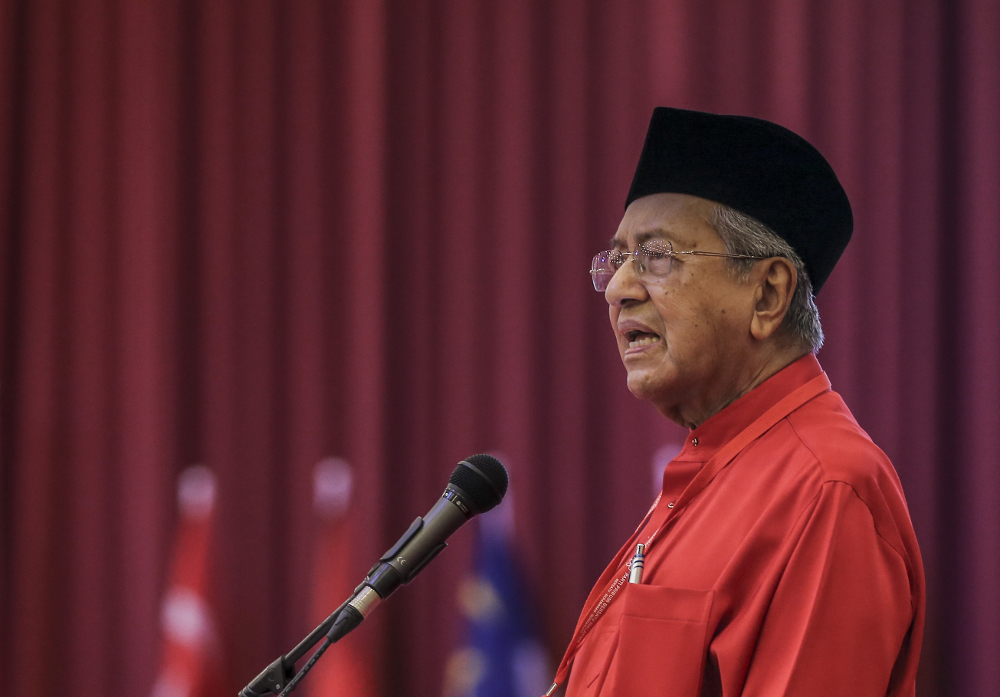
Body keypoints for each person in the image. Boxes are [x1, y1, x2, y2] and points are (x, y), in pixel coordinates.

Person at [547, 108, 925, 697]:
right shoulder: (709, 469)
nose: (619, 289)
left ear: (768, 293)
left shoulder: (827, 489)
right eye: (616, 260)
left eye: (656, 257)